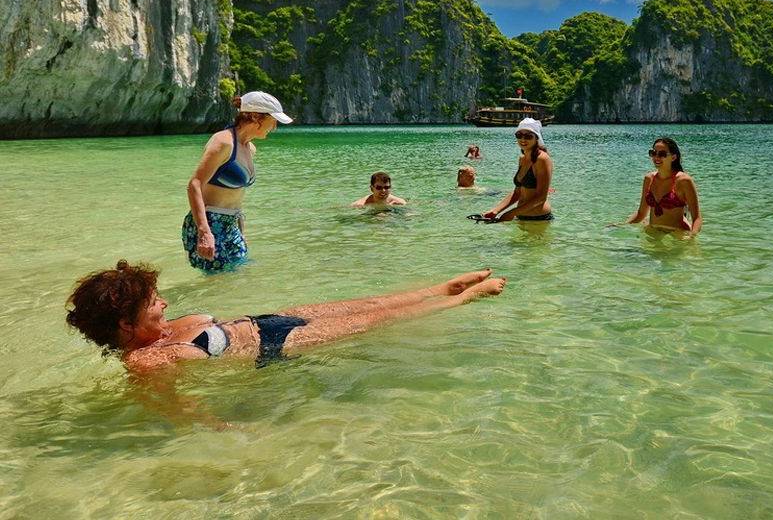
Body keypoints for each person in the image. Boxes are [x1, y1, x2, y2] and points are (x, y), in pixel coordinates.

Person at [66, 261, 507, 373]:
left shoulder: (154, 336)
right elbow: (176, 409)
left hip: (267, 320)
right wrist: (221, 428)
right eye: (153, 303)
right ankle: (465, 298)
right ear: (126, 325)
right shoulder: (144, 361)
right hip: (276, 345)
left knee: (372, 304)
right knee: (383, 322)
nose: (164, 304)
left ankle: (441, 287)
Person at [183, 91, 293, 273]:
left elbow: (236, 195)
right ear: (255, 117)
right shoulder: (224, 141)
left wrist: (241, 231)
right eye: (273, 120)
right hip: (210, 223)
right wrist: (204, 232)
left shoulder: (250, 148)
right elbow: (194, 184)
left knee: (239, 279)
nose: (274, 126)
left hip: (231, 225)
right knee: (219, 284)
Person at [482, 118, 553, 222]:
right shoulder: (522, 159)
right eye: (519, 135)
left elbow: (541, 198)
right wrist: (496, 210)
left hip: (539, 219)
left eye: (528, 136)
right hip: (521, 217)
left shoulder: (542, 159)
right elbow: (517, 192)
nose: (523, 139)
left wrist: (511, 213)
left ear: (536, 138)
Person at [626, 137, 702, 234]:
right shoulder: (649, 179)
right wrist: (621, 225)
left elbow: (697, 218)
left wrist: (691, 238)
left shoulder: (684, 181)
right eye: (653, 153)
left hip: (676, 235)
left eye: (662, 154)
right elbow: (641, 213)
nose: (656, 157)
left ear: (673, 157)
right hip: (653, 232)